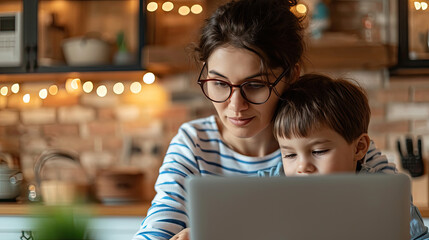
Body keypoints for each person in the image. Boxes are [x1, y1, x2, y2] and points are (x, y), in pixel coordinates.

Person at [132, 0, 395, 239]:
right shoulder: (195, 143)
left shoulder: (330, 137)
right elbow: (156, 229)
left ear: (291, 76)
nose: (235, 106)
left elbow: (396, 217)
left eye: (256, 84)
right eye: (220, 83)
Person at [258, 73, 429, 239]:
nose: (302, 167)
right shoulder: (267, 186)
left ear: (359, 148)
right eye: (289, 155)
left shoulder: (384, 196)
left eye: (318, 152)